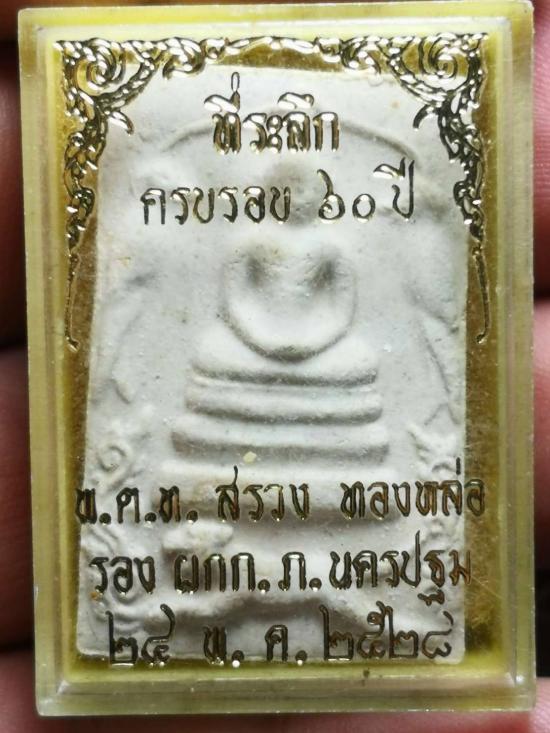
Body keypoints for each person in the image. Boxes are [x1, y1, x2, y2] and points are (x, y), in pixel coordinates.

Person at [0, 0, 549, 729]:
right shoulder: (248, 241)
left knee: (359, 358)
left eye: (305, 193)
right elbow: (235, 306)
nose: (294, 202)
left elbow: (342, 308)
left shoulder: (330, 246)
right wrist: (267, 343)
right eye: (283, 192)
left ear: (319, 197)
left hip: (323, 354)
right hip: (250, 350)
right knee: (210, 351)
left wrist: (308, 345)